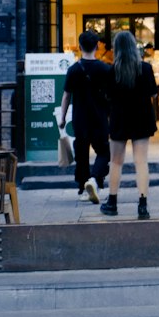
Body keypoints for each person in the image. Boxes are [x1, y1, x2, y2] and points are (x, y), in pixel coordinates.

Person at [100, 28, 157, 220]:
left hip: (119, 118)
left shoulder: (111, 71)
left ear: (117, 49)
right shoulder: (146, 68)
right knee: (141, 161)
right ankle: (142, 205)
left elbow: (107, 96)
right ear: (134, 47)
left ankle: (112, 202)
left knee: (116, 162)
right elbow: (153, 93)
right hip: (142, 117)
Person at [59, 29, 112, 205]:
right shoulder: (106, 69)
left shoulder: (73, 70)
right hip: (100, 117)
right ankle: (95, 180)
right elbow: (112, 95)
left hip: (80, 118)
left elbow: (66, 96)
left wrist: (62, 118)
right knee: (104, 151)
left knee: (81, 153)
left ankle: (83, 188)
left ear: (80, 47)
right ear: (97, 46)